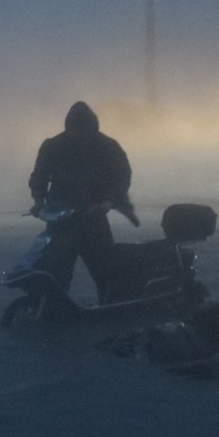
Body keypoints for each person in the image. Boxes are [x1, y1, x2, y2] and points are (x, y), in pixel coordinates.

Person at [28, 101, 138, 303]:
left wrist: (109, 202)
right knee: (57, 268)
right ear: (67, 127)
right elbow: (39, 176)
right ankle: (53, 305)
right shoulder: (52, 146)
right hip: (61, 219)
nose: (80, 133)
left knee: (104, 268)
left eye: (85, 128)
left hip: (93, 217)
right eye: (75, 128)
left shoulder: (108, 147)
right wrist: (38, 200)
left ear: (93, 127)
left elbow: (122, 177)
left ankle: (111, 304)